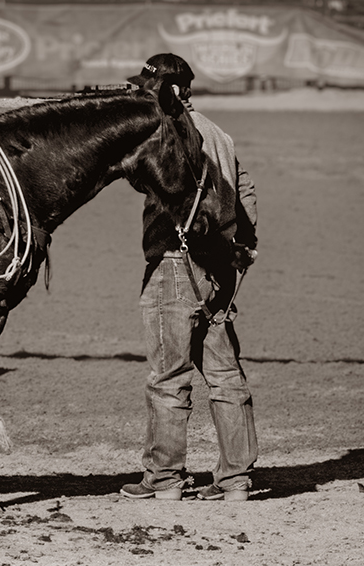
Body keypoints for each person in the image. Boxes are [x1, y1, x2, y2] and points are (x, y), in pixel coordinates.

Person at [120, 53, 259, 502]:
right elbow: (246, 193)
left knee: (168, 377)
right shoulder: (221, 133)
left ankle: (164, 480)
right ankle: (235, 480)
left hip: (174, 268)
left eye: (150, 86)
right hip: (219, 267)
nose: (144, 93)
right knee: (225, 375)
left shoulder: (169, 133)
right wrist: (240, 251)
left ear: (173, 90)